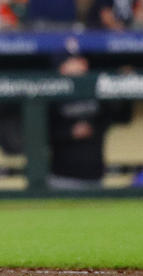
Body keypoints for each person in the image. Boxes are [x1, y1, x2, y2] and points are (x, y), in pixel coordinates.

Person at [48, 53, 133, 189]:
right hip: (63, 177)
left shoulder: (97, 93)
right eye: (75, 61)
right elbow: (40, 134)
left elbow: (121, 116)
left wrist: (124, 85)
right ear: (62, 67)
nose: (82, 63)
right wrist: (70, 132)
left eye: (82, 60)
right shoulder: (52, 95)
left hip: (94, 175)